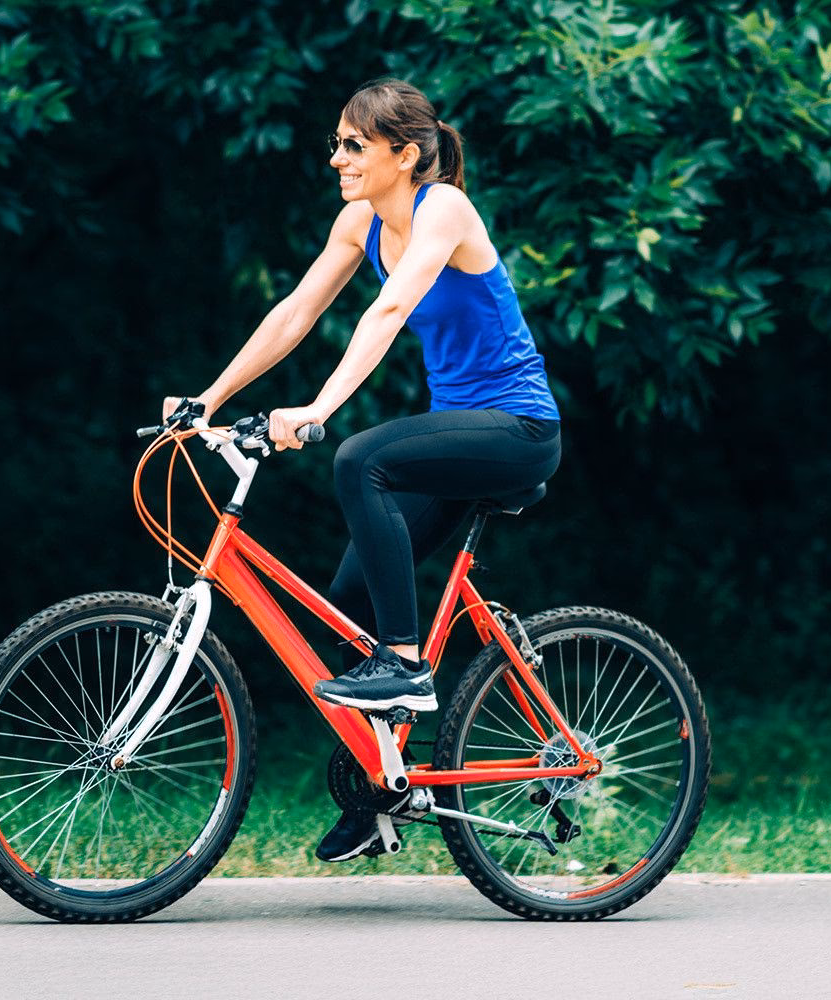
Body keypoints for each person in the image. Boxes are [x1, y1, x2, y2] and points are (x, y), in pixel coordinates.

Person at [164, 78, 561, 862]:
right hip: (463, 432)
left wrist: (317, 409)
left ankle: (408, 667)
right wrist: (207, 400)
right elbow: (295, 313)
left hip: (518, 427)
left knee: (360, 458)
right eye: (336, 144)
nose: (336, 158)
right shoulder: (359, 222)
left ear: (403, 155)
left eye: (353, 145)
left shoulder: (441, 207)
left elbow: (388, 312)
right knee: (347, 606)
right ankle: (384, 789)